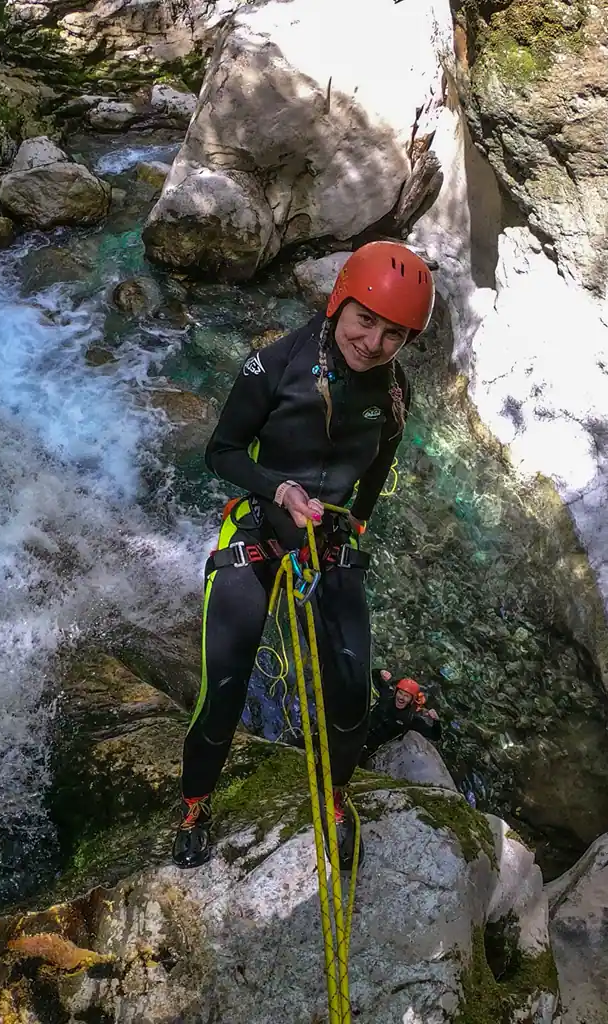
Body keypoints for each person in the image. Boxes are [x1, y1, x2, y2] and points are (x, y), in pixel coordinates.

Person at [173, 240, 434, 871]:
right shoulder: (274, 365)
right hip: (260, 530)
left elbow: (380, 467)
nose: (372, 342)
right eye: (364, 319)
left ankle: (336, 798)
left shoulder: (393, 392)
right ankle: (194, 803)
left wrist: (359, 521)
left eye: (392, 334)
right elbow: (223, 451)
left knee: (348, 692)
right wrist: (279, 488)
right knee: (224, 686)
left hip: (328, 541)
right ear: (338, 302)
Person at [362, 668, 443, 757]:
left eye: (406, 696)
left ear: (411, 700)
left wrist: (436, 720)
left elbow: (435, 736)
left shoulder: (411, 718)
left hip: (371, 748)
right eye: (400, 693)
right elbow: (372, 674)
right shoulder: (387, 695)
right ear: (396, 692)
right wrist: (381, 671)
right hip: (361, 730)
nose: (401, 698)